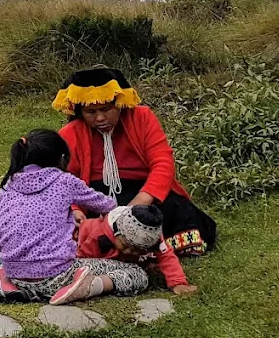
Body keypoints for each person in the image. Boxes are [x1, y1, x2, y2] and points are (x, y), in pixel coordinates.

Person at [54, 66, 217, 254]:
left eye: (106, 109)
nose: (100, 118)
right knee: (72, 225)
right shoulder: (70, 133)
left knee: (180, 212)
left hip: (144, 192)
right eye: (91, 112)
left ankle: (148, 250)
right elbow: (64, 181)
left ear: (120, 103)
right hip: (94, 197)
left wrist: (142, 200)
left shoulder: (142, 117)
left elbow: (163, 162)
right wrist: (75, 208)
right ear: (79, 111)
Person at [0, 129, 149, 305]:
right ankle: (87, 286)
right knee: (136, 274)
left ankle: (10, 282)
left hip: (15, 273)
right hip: (57, 274)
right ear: (62, 158)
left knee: (19, 265)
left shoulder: (2, 191)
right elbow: (107, 205)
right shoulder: (65, 181)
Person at [77, 204, 199, 297]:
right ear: (116, 233)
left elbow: (167, 257)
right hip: (82, 248)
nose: (129, 251)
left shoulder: (154, 239)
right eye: (125, 245)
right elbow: (83, 258)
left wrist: (178, 283)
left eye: (138, 250)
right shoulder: (99, 237)